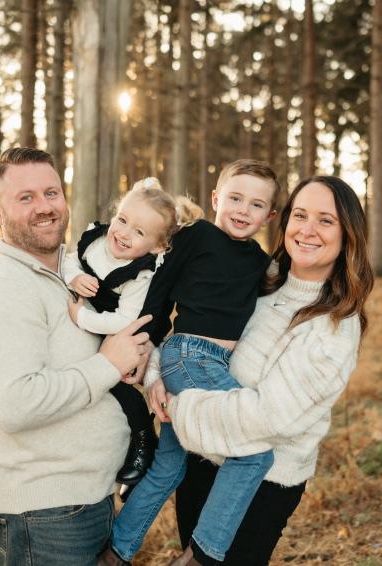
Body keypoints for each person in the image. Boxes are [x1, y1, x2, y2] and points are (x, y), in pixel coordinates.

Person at [150, 175, 375, 565]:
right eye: (300, 215)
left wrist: (179, 406)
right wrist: (156, 373)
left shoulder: (336, 327)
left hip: (260, 483)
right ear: (283, 222)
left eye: (326, 220)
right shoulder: (261, 280)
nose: (308, 230)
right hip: (203, 458)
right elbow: (193, 331)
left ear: (347, 235)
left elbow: (270, 417)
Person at [0, 147, 153, 566]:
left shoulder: (70, 273)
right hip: (42, 514)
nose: (44, 207)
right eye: (25, 197)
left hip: (83, 500)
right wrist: (107, 365)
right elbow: (15, 404)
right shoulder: (2, 287)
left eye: (51, 193)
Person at [98, 159, 281, 566]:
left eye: (255, 205)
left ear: (269, 216)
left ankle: (115, 552)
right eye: (234, 198)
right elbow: (158, 295)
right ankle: (202, 556)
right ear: (216, 198)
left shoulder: (259, 260)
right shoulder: (196, 236)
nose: (241, 210)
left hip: (212, 365)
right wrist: (152, 365)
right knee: (255, 453)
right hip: (188, 357)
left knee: (169, 467)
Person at [62, 177, 179, 487]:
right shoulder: (96, 238)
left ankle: (143, 440)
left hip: (114, 330)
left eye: (138, 232)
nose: (124, 234)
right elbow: (69, 260)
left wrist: (83, 318)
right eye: (123, 220)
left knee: (116, 382)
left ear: (156, 246)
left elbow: (125, 320)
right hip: (88, 322)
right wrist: (74, 277)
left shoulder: (139, 274)